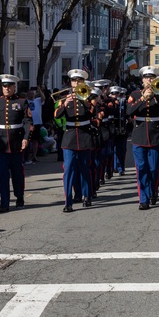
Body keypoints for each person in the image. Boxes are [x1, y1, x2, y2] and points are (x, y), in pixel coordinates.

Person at [126, 66, 159, 209]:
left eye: (152, 78)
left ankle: (153, 190)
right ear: (142, 80)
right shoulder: (135, 94)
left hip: (154, 134)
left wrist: (156, 95)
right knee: (141, 168)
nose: (149, 80)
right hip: (139, 135)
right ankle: (143, 199)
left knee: (154, 168)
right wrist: (143, 98)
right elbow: (129, 111)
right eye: (147, 78)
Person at [0, 74, 32, 213]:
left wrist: (26, 138)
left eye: (9, 86)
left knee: (17, 173)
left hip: (16, 143)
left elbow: (27, 122)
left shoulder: (22, 102)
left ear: (14, 87)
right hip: (1, 143)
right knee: (2, 174)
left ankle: (19, 197)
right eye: (4, 86)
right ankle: (4, 202)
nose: (6, 89)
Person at [56, 69, 98, 212]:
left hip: (84, 135)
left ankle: (87, 195)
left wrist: (83, 99)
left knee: (85, 168)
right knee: (68, 170)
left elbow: (93, 112)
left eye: (79, 81)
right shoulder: (64, 98)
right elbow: (56, 115)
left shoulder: (89, 97)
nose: (76, 83)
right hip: (69, 137)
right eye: (74, 81)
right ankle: (68, 201)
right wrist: (65, 103)